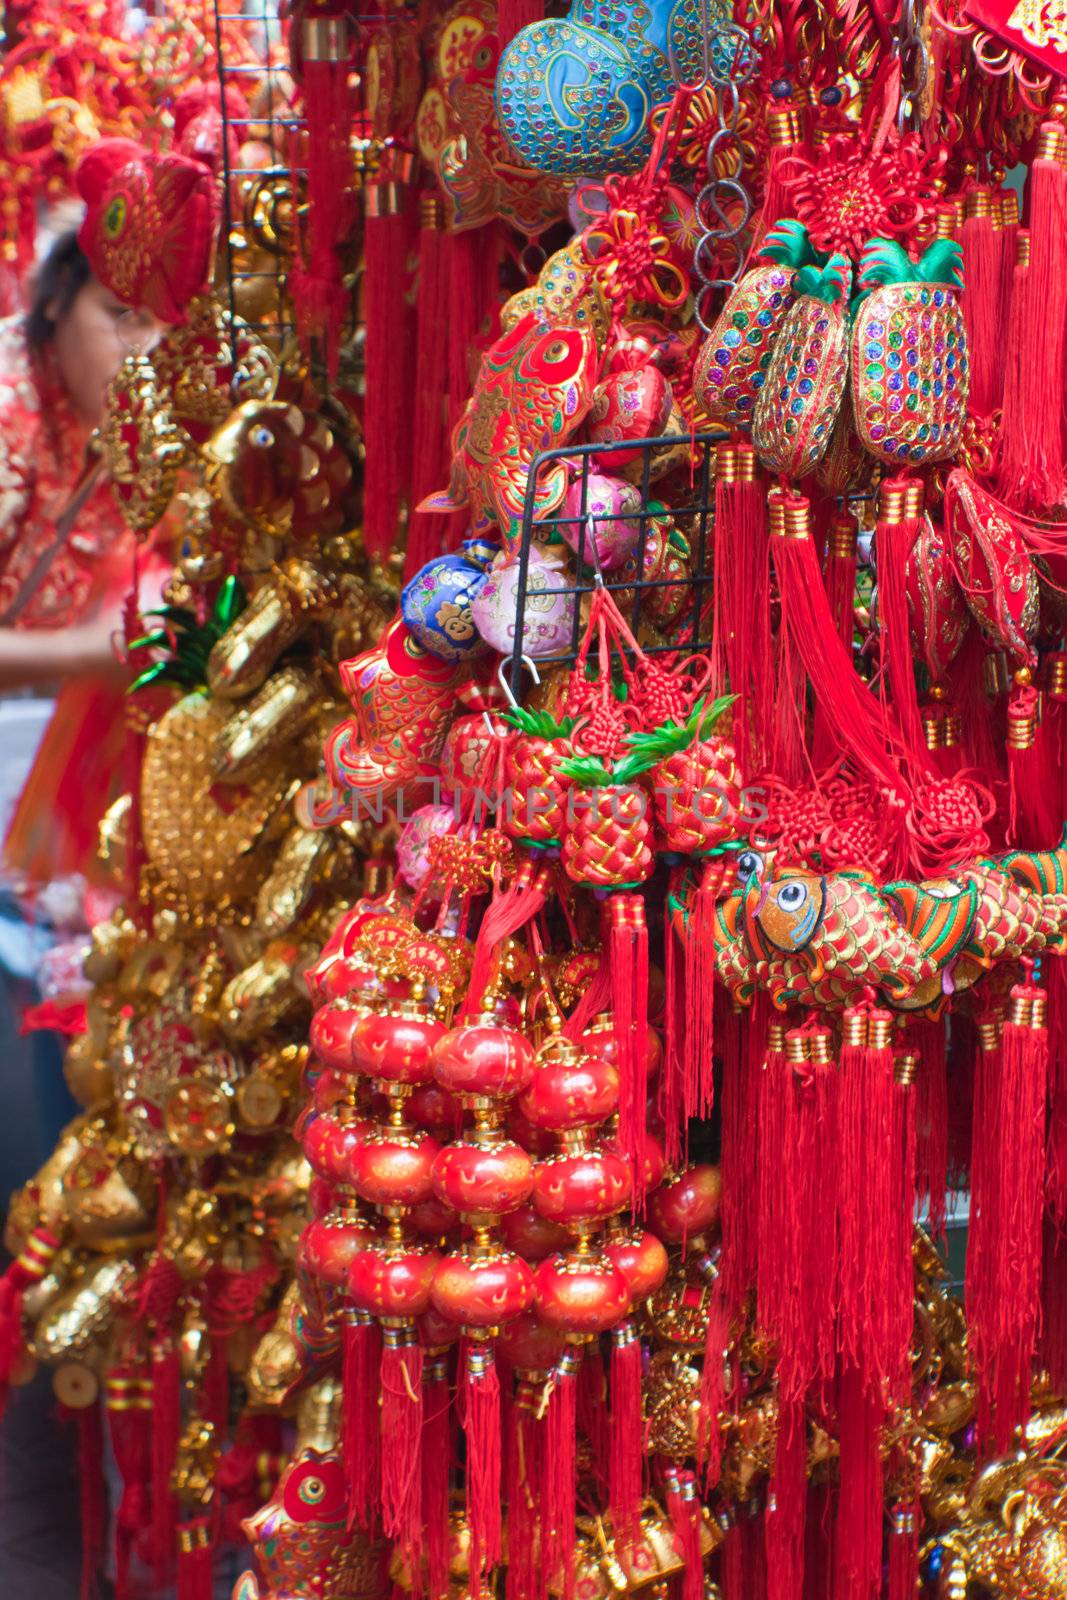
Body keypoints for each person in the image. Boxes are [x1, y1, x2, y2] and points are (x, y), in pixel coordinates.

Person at [0, 224, 161, 1202]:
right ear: (57, 305)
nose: (141, 353)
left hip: (76, 783)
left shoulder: (163, 426)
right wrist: (84, 656)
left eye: (161, 326)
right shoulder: (8, 405)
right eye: (122, 316)